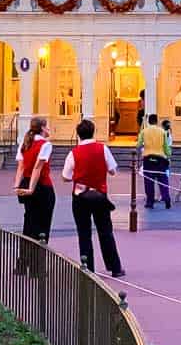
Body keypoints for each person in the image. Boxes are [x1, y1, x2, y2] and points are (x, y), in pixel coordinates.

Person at [62, 118, 125, 277]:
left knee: (84, 233)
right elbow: (112, 170)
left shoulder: (73, 153)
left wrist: (78, 176)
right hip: (99, 194)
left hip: (80, 195)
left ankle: (88, 268)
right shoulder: (102, 149)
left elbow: (65, 176)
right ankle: (114, 267)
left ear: (78, 134)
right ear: (93, 131)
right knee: (105, 231)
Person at [13, 116, 56, 251]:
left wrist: (17, 186)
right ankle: (38, 264)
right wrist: (31, 188)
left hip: (25, 183)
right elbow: (38, 167)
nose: (49, 129)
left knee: (29, 222)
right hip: (42, 186)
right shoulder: (45, 144)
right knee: (43, 225)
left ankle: (23, 260)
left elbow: (21, 167)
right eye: (47, 126)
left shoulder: (25, 143)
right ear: (42, 128)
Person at [138, 113, 171, 209]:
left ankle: (150, 202)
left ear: (148, 121)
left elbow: (138, 144)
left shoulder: (144, 131)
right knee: (163, 180)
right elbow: (166, 147)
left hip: (148, 159)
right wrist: (168, 155)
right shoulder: (162, 132)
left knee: (149, 181)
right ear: (157, 121)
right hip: (160, 158)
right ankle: (166, 198)